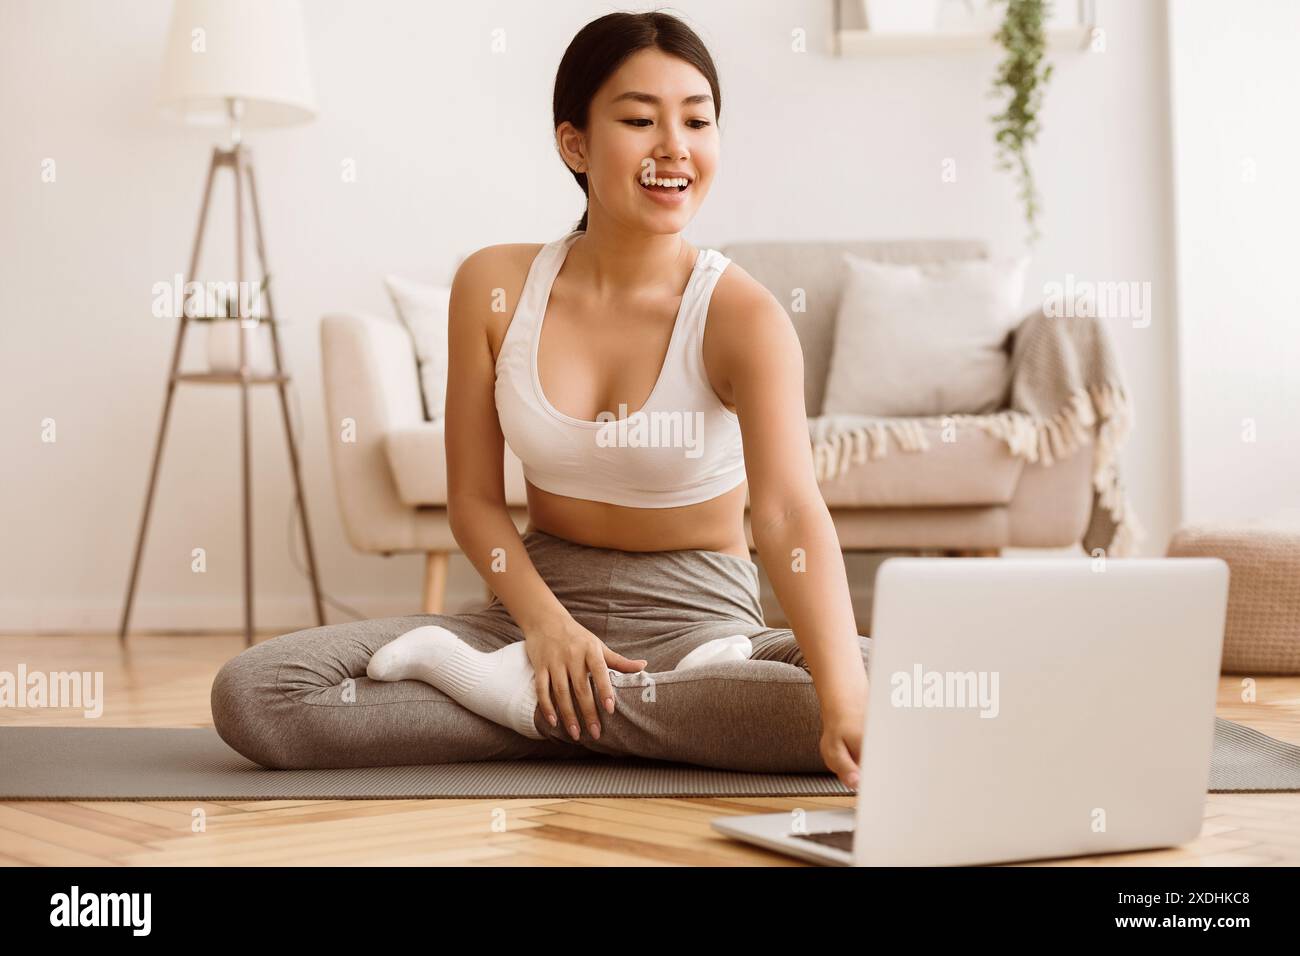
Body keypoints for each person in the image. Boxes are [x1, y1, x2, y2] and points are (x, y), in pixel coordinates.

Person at [210, 10, 871, 789]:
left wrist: (847, 698)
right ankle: (579, 698)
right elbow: (473, 502)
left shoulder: (744, 316)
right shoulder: (493, 286)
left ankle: (523, 710)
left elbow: (790, 515)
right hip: (521, 618)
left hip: (704, 633)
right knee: (257, 696)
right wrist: (547, 628)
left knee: (891, 695)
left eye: (697, 120)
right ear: (575, 145)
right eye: (639, 119)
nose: (675, 147)